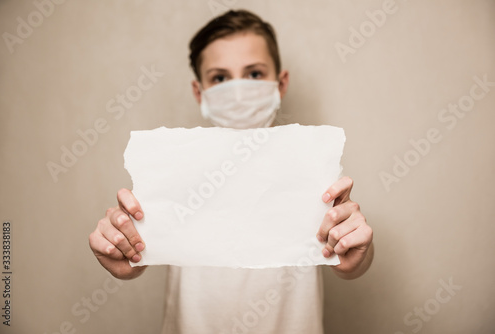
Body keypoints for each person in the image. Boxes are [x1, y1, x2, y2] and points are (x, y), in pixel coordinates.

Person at [89, 9, 374, 333]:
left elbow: (349, 256)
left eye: (253, 74)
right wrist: (121, 247)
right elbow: (139, 247)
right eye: (220, 78)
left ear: (280, 84)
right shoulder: (175, 171)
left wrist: (356, 249)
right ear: (201, 93)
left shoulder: (310, 169)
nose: (237, 91)